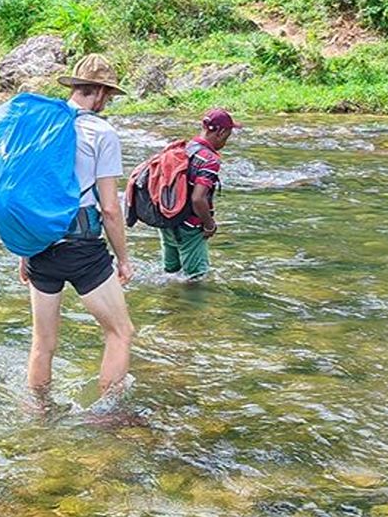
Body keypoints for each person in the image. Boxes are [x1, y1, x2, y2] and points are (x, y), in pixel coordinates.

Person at [20, 56, 135, 400]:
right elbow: (110, 208)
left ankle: (37, 413)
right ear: (98, 92)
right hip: (82, 249)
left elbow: (27, 193)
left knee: (42, 343)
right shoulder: (102, 133)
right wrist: (123, 259)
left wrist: (24, 251)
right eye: (108, 95)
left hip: (40, 244)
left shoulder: (41, 126)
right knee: (120, 332)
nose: (107, 102)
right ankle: (106, 413)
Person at [160, 107, 241, 280]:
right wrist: (209, 224)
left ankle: (168, 297)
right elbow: (198, 198)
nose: (226, 141)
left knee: (171, 273)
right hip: (190, 227)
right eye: (227, 136)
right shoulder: (209, 159)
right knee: (196, 279)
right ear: (220, 132)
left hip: (167, 221)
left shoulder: (183, 149)